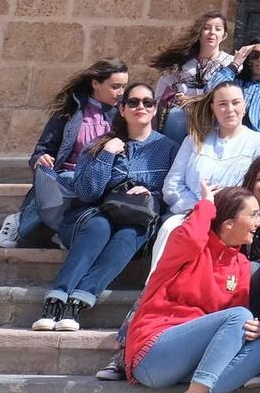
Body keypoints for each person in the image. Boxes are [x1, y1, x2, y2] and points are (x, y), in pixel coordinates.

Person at [129, 185, 260, 393]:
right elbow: (194, 237)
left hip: (194, 366)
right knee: (240, 316)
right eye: (253, 215)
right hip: (154, 352)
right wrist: (206, 203)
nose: (259, 222)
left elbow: (232, 323)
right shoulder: (189, 246)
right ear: (228, 223)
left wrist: (254, 328)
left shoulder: (240, 264)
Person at [33, 83, 178, 332]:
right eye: (133, 102)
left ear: (155, 110)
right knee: (99, 226)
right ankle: (56, 299)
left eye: (147, 102)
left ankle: (78, 301)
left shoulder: (169, 149)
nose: (140, 107)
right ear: (121, 109)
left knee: (129, 234)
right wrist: (106, 155)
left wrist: (151, 192)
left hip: (138, 217)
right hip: (97, 213)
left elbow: (173, 192)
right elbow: (87, 192)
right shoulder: (100, 145)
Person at [0, 58, 130, 249]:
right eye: (115, 86)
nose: (121, 93)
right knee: (68, 182)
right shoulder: (69, 111)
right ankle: (21, 222)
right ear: (95, 84)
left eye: (124, 87)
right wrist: (39, 159)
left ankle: (64, 230)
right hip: (65, 178)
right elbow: (42, 150)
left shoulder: (122, 114)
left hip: (101, 179)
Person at [155, 81, 260, 264]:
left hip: (232, 220)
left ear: (245, 105)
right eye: (222, 104)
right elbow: (172, 184)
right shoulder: (194, 140)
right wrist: (199, 208)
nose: (230, 109)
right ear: (213, 108)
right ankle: (156, 291)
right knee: (172, 228)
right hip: (190, 213)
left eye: (235, 102)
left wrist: (223, 213)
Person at [150, 12, 235, 143]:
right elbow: (163, 88)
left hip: (214, 116)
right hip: (183, 116)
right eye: (206, 28)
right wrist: (176, 97)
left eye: (217, 29)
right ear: (199, 32)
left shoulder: (231, 63)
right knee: (175, 116)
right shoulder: (183, 62)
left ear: (224, 35)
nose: (212, 32)